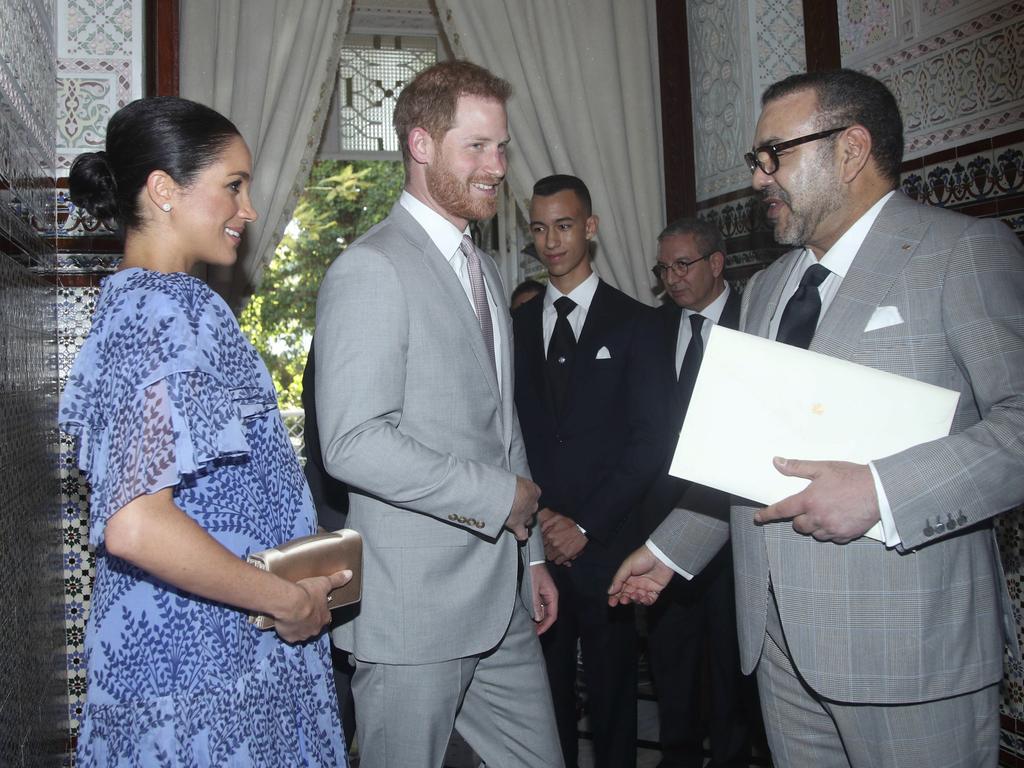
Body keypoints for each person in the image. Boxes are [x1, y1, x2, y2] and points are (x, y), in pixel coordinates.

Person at [610, 68, 1024, 768]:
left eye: (774, 154)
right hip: (777, 652)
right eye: (756, 159)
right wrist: (674, 548)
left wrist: (881, 492)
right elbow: (752, 458)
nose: (758, 178)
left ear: (850, 148)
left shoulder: (961, 254)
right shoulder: (770, 285)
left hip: (909, 653)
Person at [59, 97, 350, 767]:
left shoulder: (160, 304)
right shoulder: (158, 310)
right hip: (196, 681)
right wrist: (286, 601)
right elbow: (136, 524)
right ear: (163, 190)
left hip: (212, 662)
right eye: (233, 186)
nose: (247, 211)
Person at [314, 60, 563, 768]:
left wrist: (532, 552)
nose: (496, 166)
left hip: (501, 594)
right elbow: (353, 444)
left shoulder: (485, 268)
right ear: (421, 145)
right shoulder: (371, 269)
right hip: (412, 611)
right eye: (476, 147)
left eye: (502, 147)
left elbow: (500, 424)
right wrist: (497, 498)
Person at [513, 174, 667, 768]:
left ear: (591, 228)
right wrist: (544, 518)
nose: (552, 241)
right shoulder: (516, 328)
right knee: (542, 704)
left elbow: (651, 442)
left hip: (609, 551)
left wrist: (586, 524)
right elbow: (511, 435)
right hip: (535, 546)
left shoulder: (637, 323)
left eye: (565, 225)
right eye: (540, 228)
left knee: (613, 706)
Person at [641, 218, 752, 768]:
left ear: (716, 263)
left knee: (733, 661)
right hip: (663, 530)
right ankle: (677, 756)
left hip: (735, 530)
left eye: (682, 265)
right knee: (672, 659)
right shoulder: (652, 328)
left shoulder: (757, 320)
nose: (672, 278)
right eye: (663, 268)